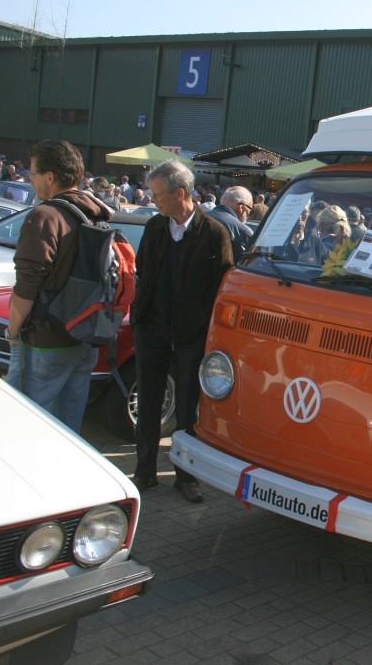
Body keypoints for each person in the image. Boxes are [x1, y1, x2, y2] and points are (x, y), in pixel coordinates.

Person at [130, 159, 234, 502]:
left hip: (191, 334)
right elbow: (142, 270)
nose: (153, 200)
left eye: (158, 194)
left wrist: (206, 331)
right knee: (149, 401)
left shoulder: (213, 233)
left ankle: (186, 476)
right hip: (152, 328)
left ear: (180, 193)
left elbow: (222, 286)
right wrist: (141, 316)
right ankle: (144, 471)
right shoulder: (155, 227)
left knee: (188, 408)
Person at [4, 140, 112, 432]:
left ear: (50, 177)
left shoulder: (45, 216)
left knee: (28, 425)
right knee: (67, 428)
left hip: (45, 339)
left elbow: (26, 285)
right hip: (85, 335)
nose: (31, 179)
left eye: (33, 173)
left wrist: (13, 332)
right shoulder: (97, 214)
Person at [208, 186, 255, 258]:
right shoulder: (244, 232)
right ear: (241, 207)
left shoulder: (199, 217)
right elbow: (245, 262)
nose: (248, 216)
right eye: (250, 212)